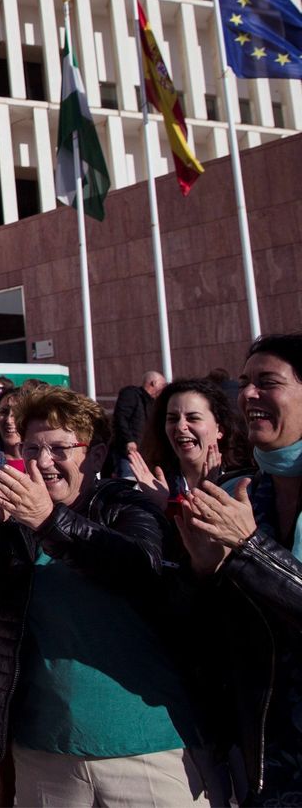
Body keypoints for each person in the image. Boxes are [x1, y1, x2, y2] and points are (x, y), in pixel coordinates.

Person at [0, 384, 216, 806]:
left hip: (146, 747)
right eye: (32, 449)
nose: (43, 462)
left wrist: (47, 520)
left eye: (60, 448)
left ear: (96, 456)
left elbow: (137, 566)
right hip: (42, 748)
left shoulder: (126, 506)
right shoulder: (18, 516)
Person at [167, 334, 302, 803]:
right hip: (264, 755)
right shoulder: (247, 493)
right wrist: (208, 573)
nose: (247, 395)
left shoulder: (244, 518)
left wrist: (250, 548)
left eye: (268, 383)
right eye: (245, 382)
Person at [130, 378, 249, 512]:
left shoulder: (243, 485)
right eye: (173, 419)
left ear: (219, 429)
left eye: (193, 418)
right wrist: (158, 509)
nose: (181, 427)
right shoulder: (151, 485)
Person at [112, 370, 167, 475]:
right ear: (153, 383)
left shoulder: (154, 404)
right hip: (129, 454)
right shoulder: (132, 394)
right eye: (163, 385)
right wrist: (129, 440)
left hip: (145, 455)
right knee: (129, 484)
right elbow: (120, 417)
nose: (164, 389)